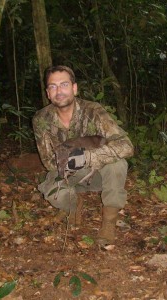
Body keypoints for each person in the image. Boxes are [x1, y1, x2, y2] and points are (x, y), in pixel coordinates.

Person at [33, 65, 134, 246]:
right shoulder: (41, 119)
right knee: (53, 194)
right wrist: (70, 164)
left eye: (64, 85)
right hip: (70, 173)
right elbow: (48, 162)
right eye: (53, 87)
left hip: (97, 173)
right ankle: (74, 204)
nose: (59, 91)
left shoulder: (93, 111)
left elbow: (126, 146)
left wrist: (88, 157)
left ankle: (109, 222)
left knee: (118, 165)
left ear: (74, 88)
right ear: (48, 93)